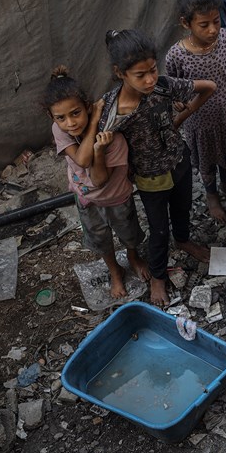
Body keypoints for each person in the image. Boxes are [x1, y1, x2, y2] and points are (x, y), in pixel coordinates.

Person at [98, 29, 216, 306]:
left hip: (179, 161)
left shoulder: (163, 85)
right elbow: (102, 145)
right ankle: (159, 277)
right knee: (158, 229)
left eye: (153, 69)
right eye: (141, 75)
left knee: (183, 207)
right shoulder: (113, 110)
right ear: (120, 73)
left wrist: (179, 119)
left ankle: (184, 240)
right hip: (150, 178)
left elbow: (208, 87)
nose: (150, 79)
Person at [42, 65, 150, 299]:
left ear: (87, 107)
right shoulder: (59, 129)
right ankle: (115, 271)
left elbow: (100, 179)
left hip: (116, 196)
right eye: (61, 118)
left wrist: (99, 151)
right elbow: (81, 159)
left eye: (76, 113)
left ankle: (133, 257)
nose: (70, 123)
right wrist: (92, 124)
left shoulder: (112, 138)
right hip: (87, 199)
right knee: (101, 239)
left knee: (129, 232)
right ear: (52, 117)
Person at [165, 0, 226, 222]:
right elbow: (173, 87)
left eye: (216, 21)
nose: (212, 29)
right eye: (204, 25)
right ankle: (212, 195)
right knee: (207, 160)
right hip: (200, 121)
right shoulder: (177, 55)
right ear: (186, 23)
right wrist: (178, 103)